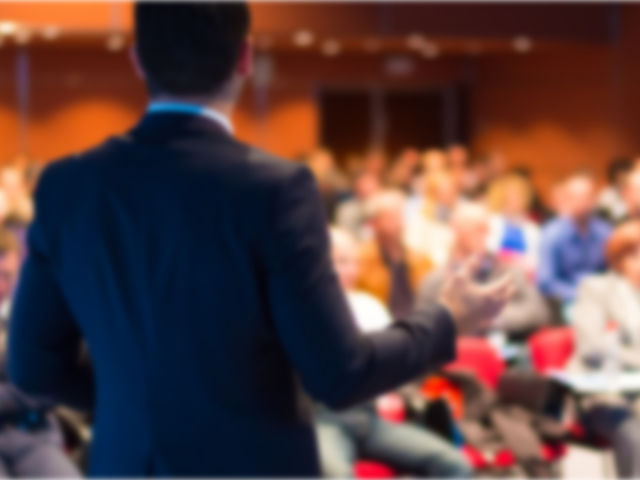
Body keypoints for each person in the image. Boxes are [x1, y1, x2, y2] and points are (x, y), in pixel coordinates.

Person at [7, 4, 511, 476]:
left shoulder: (67, 185)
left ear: (137, 60)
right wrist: (445, 319)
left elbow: (31, 369)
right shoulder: (273, 190)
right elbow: (340, 374)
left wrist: (136, 398)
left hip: (124, 461)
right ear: (245, 57)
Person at [314, 228, 471, 477]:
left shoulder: (369, 305)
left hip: (369, 418)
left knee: (454, 463)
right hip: (324, 420)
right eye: (341, 261)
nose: (351, 270)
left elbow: (395, 360)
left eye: (354, 261)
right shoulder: (305, 314)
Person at [0, 229, 80, 478]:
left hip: (30, 433)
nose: (0, 285)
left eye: (6, 275)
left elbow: (43, 389)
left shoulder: (27, 317)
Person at [417, 203, 550, 341]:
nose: (485, 233)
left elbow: (538, 311)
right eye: (477, 228)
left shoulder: (507, 269)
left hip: (507, 351)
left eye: (486, 228)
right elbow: (425, 328)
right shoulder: (436, 280)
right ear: (456, 229)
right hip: (458, 355)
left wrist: (490, 318)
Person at [569, 220, 640, 477]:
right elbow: (592, 347)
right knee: (634, 434)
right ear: (619, 258)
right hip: (603, 393)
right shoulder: (596, 288)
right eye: (634, 254)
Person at [357, 190, 434, 320]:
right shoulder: (360, 259)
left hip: (416, 325)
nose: (400, 223)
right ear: (374, 223)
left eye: (401, 216)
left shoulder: (422, 259)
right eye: (391, 217)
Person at [538, 171, 612, 304]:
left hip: (602, 297)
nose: (581, 202)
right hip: (567, 300)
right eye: (575, 197)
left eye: (586, 197)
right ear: (566, 199)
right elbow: (546, 282)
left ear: (594, 199)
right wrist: (579, 294)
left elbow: (613, 272)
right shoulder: (552, 233)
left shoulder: (605, 232)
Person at [486, 172, 541, 275]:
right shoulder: (491, 222)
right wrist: (509, 259)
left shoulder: (532, 229)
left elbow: (536, 260)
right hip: (495, 273)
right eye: (510, 197)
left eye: (518, 197)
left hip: (524, 275)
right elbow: (489, 252)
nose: (514, 201)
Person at [335, 169, 381, 241]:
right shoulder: (346, 210)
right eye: (362, 189)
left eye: (370, 189)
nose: (367, 193)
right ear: (356, 191)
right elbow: (345, 234)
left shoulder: (387, 206)